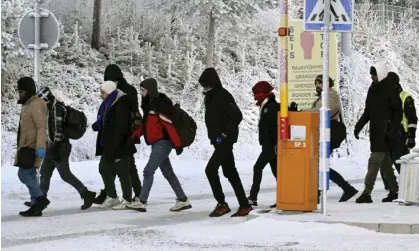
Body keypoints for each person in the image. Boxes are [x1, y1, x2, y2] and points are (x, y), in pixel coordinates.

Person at [23, 87, 96, 210]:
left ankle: (86, 194)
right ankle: (40, 199)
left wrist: (55, 147)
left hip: (60, 146)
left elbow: (58, 130)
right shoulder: (47, 108)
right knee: (45, 174)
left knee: (65, 174)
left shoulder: (57, 108)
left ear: (46, 98)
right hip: (52, 146)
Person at [126, 78, 191, 212]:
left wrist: (178, 144)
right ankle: (183, 200)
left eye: (143, 90)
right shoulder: (148, 104)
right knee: (168, 173)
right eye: (140, 90)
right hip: (156, 144)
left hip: (163, 143)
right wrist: (134, 136)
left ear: (150, 90)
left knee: (148, 171)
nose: (141, 93)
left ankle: (142, 201)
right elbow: (145, 125)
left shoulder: (159, 104)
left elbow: (169, 126)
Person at [198, 67, 253, 217]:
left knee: (210, 170)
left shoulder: (223, 96)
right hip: (217, 140)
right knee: (230, 172)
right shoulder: (209, 97)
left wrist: (224, 133)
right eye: (203, 85)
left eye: (207, 85)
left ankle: (222, 204)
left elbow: (237, 116)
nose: (205, 88)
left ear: (213, 83)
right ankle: (244, 204)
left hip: (225, 140)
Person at [94, 64, 142, 204]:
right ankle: (112, 194)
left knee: (128, 168)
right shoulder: (115, 92)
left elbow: (127, 115)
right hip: (117, 135)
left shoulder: (124, 92)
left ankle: (136, 194)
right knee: (115, 166)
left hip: (124, 135)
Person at [354, 62, 402, 203]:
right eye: (371, 75)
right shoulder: (373, 89)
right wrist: (359, 126)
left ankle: (367, 192)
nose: (372, 77)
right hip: (375, 132)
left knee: (374, 161)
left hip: (386, 132)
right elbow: (368, 111)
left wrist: (393, 129)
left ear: (380, 74)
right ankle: (395, 190)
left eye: (374, 75)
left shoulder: (390, 89)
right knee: (385, 163)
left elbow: (398, 111)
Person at [306, 75, 358, 202]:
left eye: (319, 83)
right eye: (316, 83)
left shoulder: (331, 96)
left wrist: (302, 111)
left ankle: (346, 188)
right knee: (320, 164)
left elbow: (320, 112)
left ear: (326, 84)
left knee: (320, 164)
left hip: (330, 133)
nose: (316, 86)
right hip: (324, 133)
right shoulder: (324, 96)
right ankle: (324, 192)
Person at [15, 77, 50, 216]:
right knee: (31, 174)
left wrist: (40, 147)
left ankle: (40, 199)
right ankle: (36, 206)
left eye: (22, 91)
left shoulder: (36, 105)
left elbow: (41, 127)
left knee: (23, 174)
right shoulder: (28, 104)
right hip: (26, 146)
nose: (19, 94)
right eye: (19, 91)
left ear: (28, 91)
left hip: (33, 147)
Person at [381, 72, 417, 190]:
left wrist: (411, 136)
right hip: (387, 136)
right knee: (384, 163)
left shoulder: (405, 97)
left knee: (400, 162)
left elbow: (412, 119)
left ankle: (411, 186)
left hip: (401, 136)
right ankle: (392, 188)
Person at [247, 81, 278, 208]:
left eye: (256, 93)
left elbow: (273, 128)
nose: (255, 97)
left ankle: (253, 197)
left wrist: (271, 143)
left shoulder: (270, 107)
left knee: (257, 168)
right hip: (270, 145)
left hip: (271, 146)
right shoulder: (267, 106)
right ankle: (284, 196)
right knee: (277, 173)